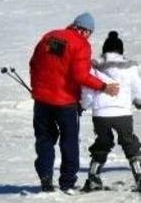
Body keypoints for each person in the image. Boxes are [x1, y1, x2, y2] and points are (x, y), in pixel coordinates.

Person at [29, 12, 119, 193]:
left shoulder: (50, 36)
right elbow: (80, 75)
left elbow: (33, 63)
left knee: (45, 140)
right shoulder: (81, 45)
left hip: (42, 101)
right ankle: (67, 183)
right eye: (90, 33)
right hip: (66, 102)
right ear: (85, 31)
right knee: (69, 142)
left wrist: (37, 88)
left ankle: (46, 178)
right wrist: (103, 86)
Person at [80, 31, 141, 192]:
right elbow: (137, 87)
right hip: (123, 113)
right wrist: (138, 101)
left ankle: (93, 178)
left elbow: (88, 89)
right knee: (129, 142)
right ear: (121, 50)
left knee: (103, 143)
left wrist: (84, 105)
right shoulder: (130, 66)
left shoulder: (94, 67)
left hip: (101, 114)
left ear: (105, 50)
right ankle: (139, 176)